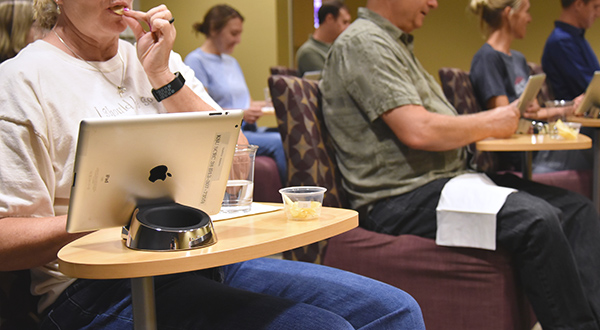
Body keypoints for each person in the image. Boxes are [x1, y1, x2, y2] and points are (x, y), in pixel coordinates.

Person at [0, 0, 426, 328]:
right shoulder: (23, 80)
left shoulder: (155, 58)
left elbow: (239, 165)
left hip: (202, 258)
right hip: (95, 290)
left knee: (393, 311)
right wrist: (111, 217)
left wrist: (163, 77)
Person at [320, 0, 600, 329]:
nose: (434, 3)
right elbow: (418, 129)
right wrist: (495, 121)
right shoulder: (363, 42)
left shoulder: (391, 43)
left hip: (445, 181)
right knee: (538, 220)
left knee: (578, 209)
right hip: (400, 197)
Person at [469, 0, 593, 174]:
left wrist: (570, 107)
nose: (529, 19)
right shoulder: (487, 59)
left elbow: (534, 113)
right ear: (509, 14)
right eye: (526, 11)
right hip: (526, 155)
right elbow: (503, 119)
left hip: (538, 145)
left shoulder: (518, 59)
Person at [184, 4, 287, 185]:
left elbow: (246, 101)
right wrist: (242, 113)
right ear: (214, 30)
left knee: (287, 133)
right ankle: (294, 197)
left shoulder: (232, 62)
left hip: (248, 128)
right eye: (233, 33)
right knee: (279, 141)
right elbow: (200, 109)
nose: (238, 39)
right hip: (227, 133)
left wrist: (263, 105)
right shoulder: (196, 61)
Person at [542, 0, 600, 101]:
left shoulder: (577, 38)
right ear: (578, 5)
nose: (598, 13)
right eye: (595, 7)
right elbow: (592, 90)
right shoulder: (562, 41)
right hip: (572, 115)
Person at [295, 0, 351, 77]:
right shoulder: (308, 52)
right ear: (329, 19)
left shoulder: (338, 47)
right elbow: (329, 83)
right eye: (344, 22)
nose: (348, 27)